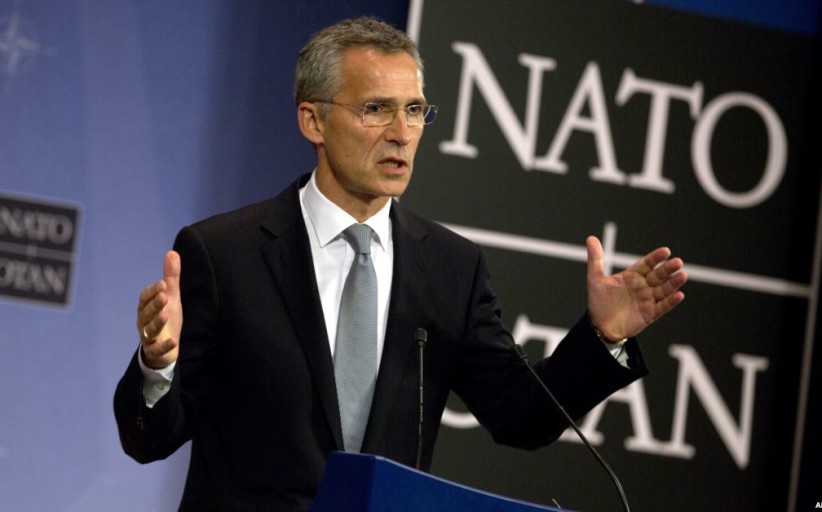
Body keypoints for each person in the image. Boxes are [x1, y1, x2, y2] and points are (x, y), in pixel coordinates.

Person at [114, 16, 687, 511]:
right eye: (376, 110)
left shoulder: (450, 267)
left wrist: (603, 336)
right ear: (313, 121)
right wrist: (158, 366)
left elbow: (521, 416)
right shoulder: (225, 253)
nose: (402, 134)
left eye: (414, 111)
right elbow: (149, 440)